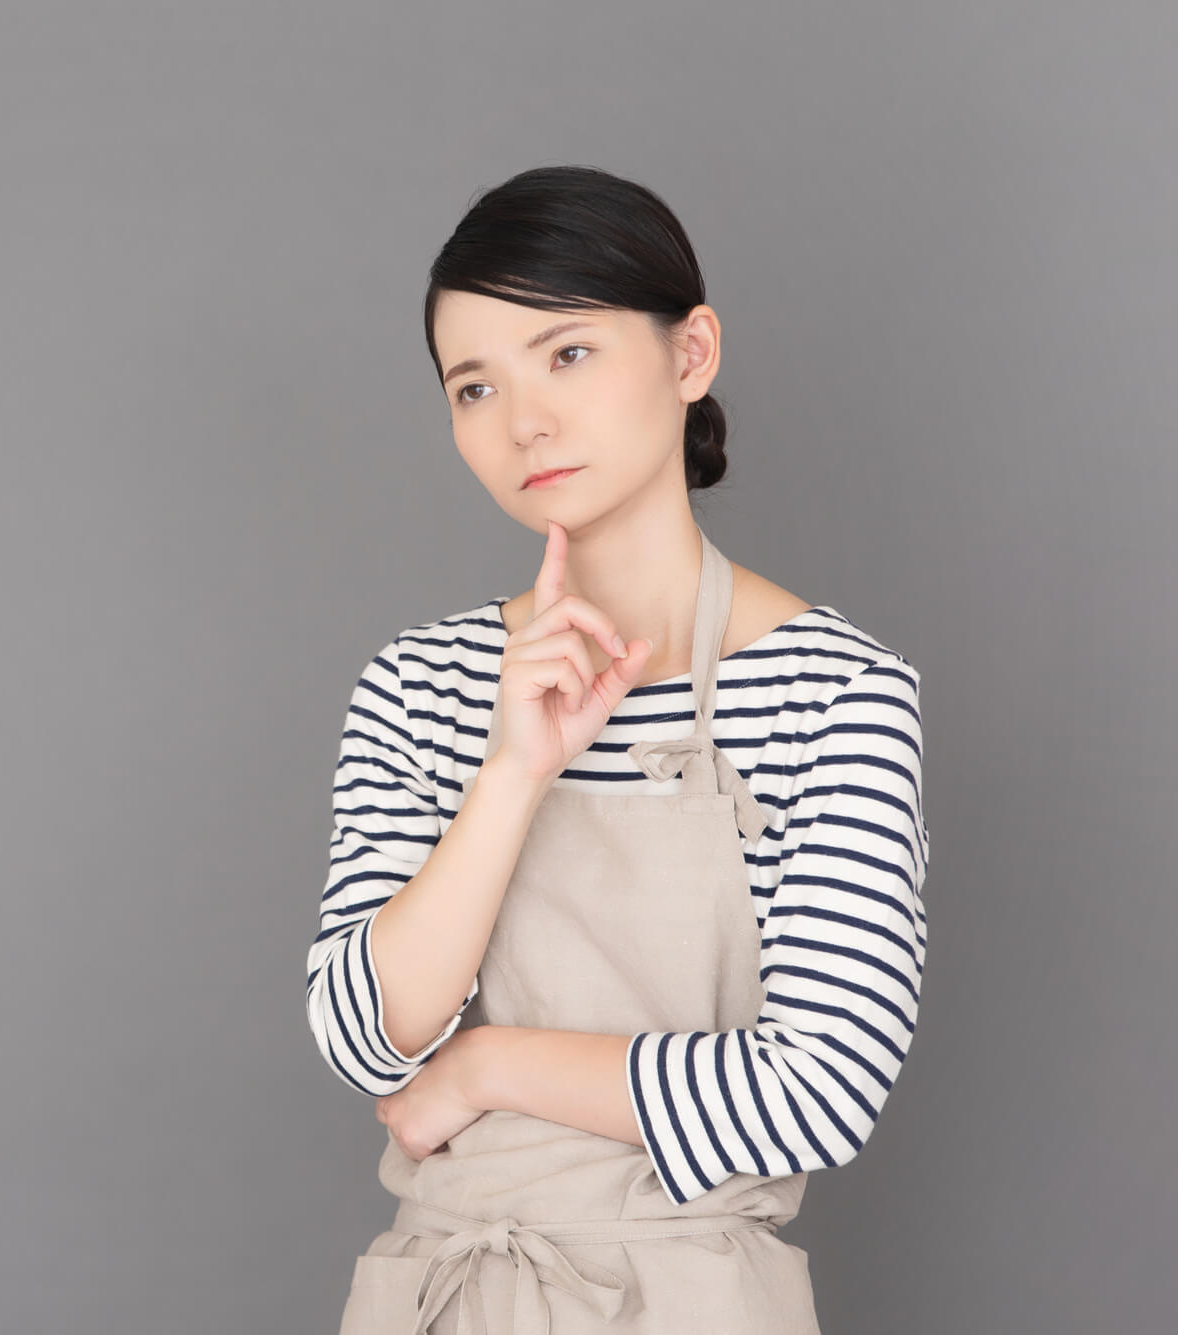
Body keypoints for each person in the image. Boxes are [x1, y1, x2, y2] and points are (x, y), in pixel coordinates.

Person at [307, 165, 929, 1334]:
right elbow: (359, 1037)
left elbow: (819, 1091)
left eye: (567, 354)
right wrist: (509, 773)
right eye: (472, 386)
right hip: (436, 1298)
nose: (522, 420)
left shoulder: (830, 691)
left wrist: (489, 1071)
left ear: (689, 355)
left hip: (691, 1301)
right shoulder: (420, 685)